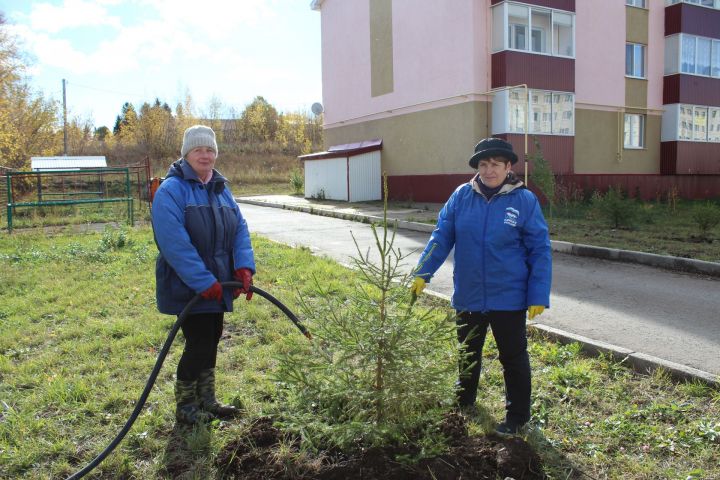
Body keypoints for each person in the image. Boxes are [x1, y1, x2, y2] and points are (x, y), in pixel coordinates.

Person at [410, 137, 552, 435]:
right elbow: (441, 236)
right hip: (469, 294)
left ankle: (517, 417)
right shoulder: (462, 196)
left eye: (495, 164)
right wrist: (423, 272)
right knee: (468, 352)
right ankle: (464, 401)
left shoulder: (524, 200)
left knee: (513, 358)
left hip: (508, 298)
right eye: (484, 164)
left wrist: (538, 293)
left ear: (508, 166)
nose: (489, 170)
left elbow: (539, 249)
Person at [151, 125, 256, 425]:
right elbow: (174, 243)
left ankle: (207, 400)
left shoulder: (221, 189)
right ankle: (186, 406)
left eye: (210, 150)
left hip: (219, 282)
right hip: (190, 286)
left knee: (213, 337)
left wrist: (244, 266)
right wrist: (201, 280)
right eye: (199, 149)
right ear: (186, 153)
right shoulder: (172, 191)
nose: (205, 155)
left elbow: (240, 229)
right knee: (198, 341)